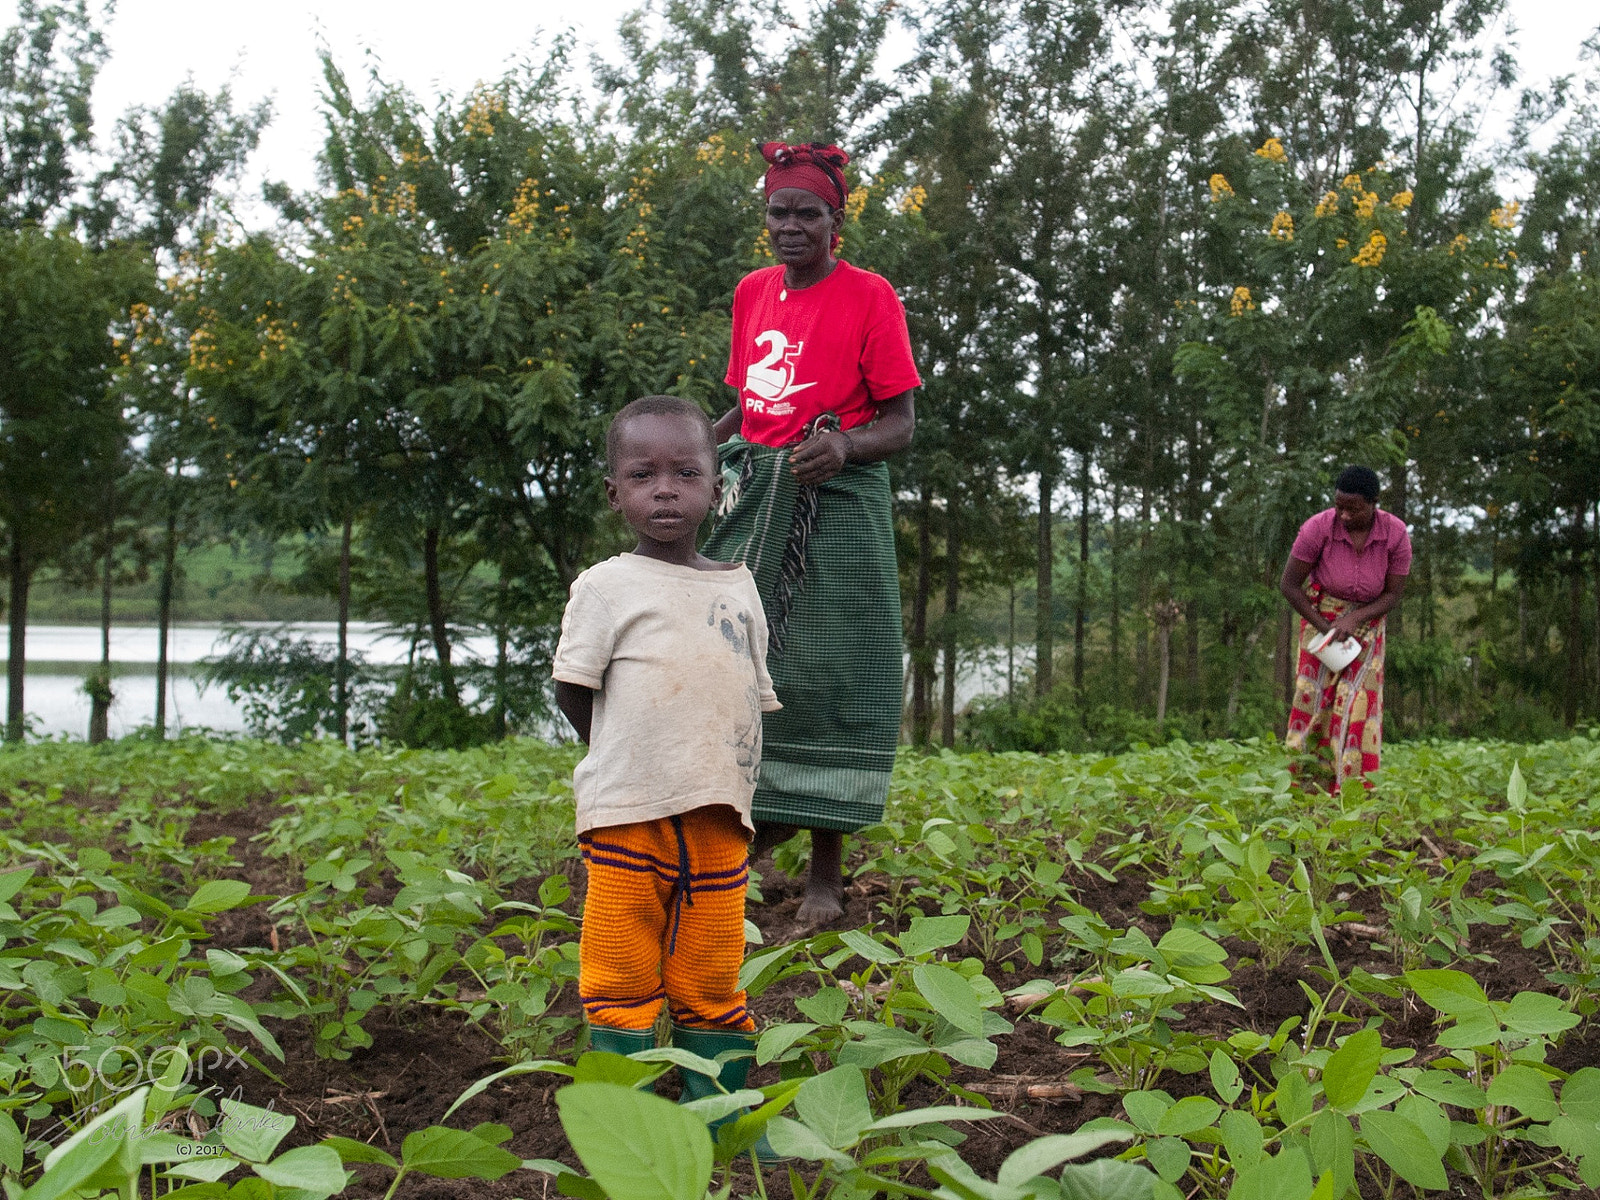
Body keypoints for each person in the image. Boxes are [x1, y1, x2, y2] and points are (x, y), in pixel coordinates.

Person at [706, 141, 919, 926]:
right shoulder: (753, 292)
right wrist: (686, 454)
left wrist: (844, 445)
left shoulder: (870, 296)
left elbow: (899, 423)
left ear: (837, 220)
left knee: (833, 673)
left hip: (838, 500)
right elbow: (746, 409)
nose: (790, 226)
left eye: (808, 213)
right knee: (736, 665)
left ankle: (825, 877)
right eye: (778, 212)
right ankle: (746, 838)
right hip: (754, 495)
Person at [552, 395, 782, 1122]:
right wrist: (628, 754)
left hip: (719, 821)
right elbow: (572, 689)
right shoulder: (606, 585)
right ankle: (621, 1121)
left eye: (686, 472)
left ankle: (720, 1115)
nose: (665, 488)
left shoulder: (739, 585)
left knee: (712, 973)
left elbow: (748, 698)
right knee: (618, 968)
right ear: (614, 492)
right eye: (643, 473)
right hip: (630, 816)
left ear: (718, 488)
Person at [1279, 465, 1412, 790]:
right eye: (1340, 506)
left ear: (1373, 503)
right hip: (1319, 617)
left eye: (1354, 508)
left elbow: (1393, 594)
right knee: (1313, 702)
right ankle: (1303, 785)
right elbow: (1289, 585)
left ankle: (1351, 790)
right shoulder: (1318, 528)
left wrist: (1354, 619)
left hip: (1367, 623)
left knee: (1357, 705)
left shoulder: (1395, 534)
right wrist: (1326, 627)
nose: (1345, 515)